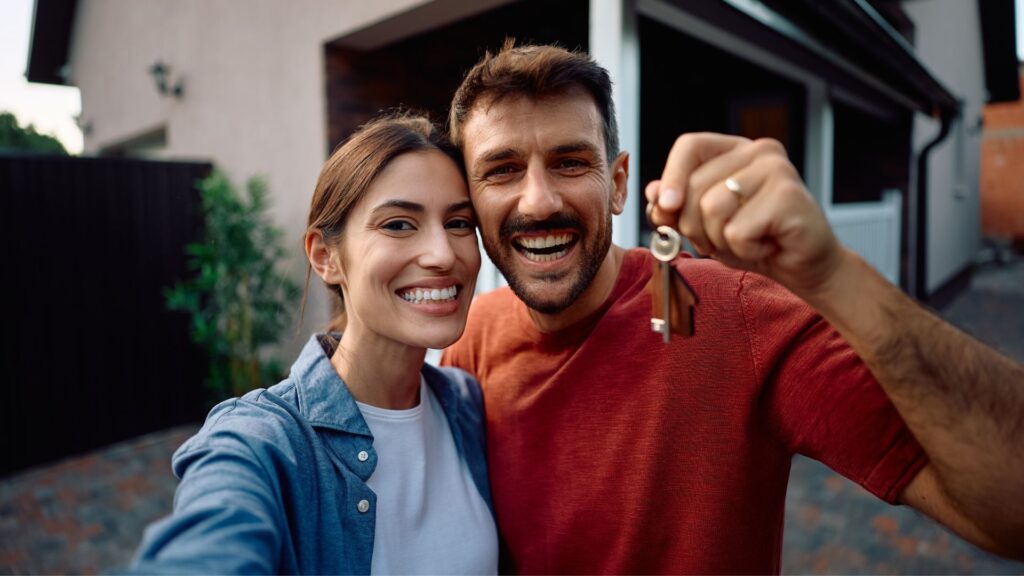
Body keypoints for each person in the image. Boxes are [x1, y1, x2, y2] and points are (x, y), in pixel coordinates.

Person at [442, 41, 1024, 573]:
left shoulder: (733, 313)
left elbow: (1010, 512)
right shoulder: (473, 340)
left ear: (619, 184)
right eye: (503, 170)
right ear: (469, 200)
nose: (539, 200)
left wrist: (834, 278)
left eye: (571, 162)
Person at [131, 113, 498, 574]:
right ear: (326, 257)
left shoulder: (465, 406)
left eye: (459, 223)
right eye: (399, 225)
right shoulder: (264, 442)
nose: (443, 254)